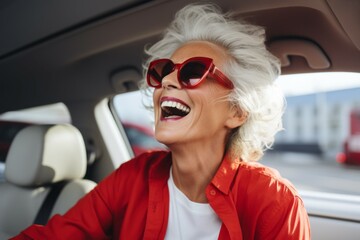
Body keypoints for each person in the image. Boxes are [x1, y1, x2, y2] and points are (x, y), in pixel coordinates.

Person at [12, 3, 310, 240]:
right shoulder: (132, 178)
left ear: (237, 112)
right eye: (164, 70)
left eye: (194, 71)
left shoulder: (275, 202)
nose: (166, 80)